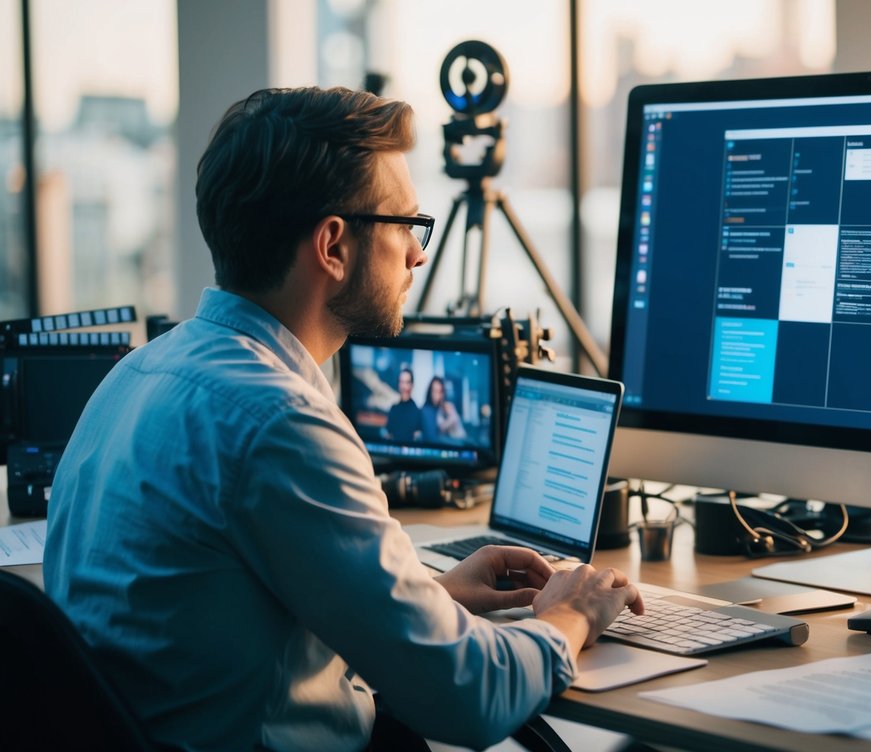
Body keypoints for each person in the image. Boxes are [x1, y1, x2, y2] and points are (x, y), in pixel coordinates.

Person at [43, 86, 643, 752]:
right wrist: (570, 614)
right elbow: (471, 700)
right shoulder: (279, 422)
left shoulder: (138, 373)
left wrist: (431, 597)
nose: (418, 256)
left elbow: (222, 610)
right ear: (333, 245)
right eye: (406, 228)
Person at [421, 374, 466, 441]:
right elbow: (432, 437)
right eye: (435, 391)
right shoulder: (426, 411)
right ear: (430, 392)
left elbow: (461, 432)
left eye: (440, 392)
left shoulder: (447, 407)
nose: (438, 396)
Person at [385, 365, 424, 441]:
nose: (404, 386)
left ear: (412, 385)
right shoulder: (393, 409)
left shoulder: (418, 412)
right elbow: (389, 435)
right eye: (402, 382)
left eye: (407, 382)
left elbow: (417, 438)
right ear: (399, 384)